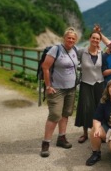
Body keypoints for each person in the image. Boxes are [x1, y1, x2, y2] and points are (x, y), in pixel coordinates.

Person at [40, 27, 79, 157]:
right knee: (55, 115)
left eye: (73, 38)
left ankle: (61, 138)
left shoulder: (75, 50)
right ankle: (46, 143)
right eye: (69, 37)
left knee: (65, 114)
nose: (71, 40)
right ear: (64, 38)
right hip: (57, 89)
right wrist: (48, 86)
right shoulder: (56, 49)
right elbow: (45, 67)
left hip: (71, 89)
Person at [74, 31, 104, 144]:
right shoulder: (82, 51)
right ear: (89, 38)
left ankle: (99, 132)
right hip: (86, 83)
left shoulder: (102, 53)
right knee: (86, 108)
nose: (95, 40)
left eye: (98, 39)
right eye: (94, 38)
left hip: (99, 83)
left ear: (100, 41)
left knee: (99, 107)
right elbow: (71, 60)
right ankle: (85, 133)